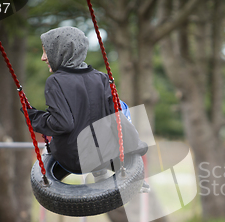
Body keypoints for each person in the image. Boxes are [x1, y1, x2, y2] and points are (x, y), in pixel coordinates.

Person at [23, 26, 146, 180]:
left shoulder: (55, 81)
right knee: (120, 107)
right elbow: (116, 117)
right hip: (103, 157)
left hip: (73, 160)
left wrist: (34, 117)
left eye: (46, 51)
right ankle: (101, 173)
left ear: (61, 50)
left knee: (58, 121)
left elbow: (63, 124)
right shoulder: (101, 78)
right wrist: (136, 146)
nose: (43, 57)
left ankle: (54, 179)